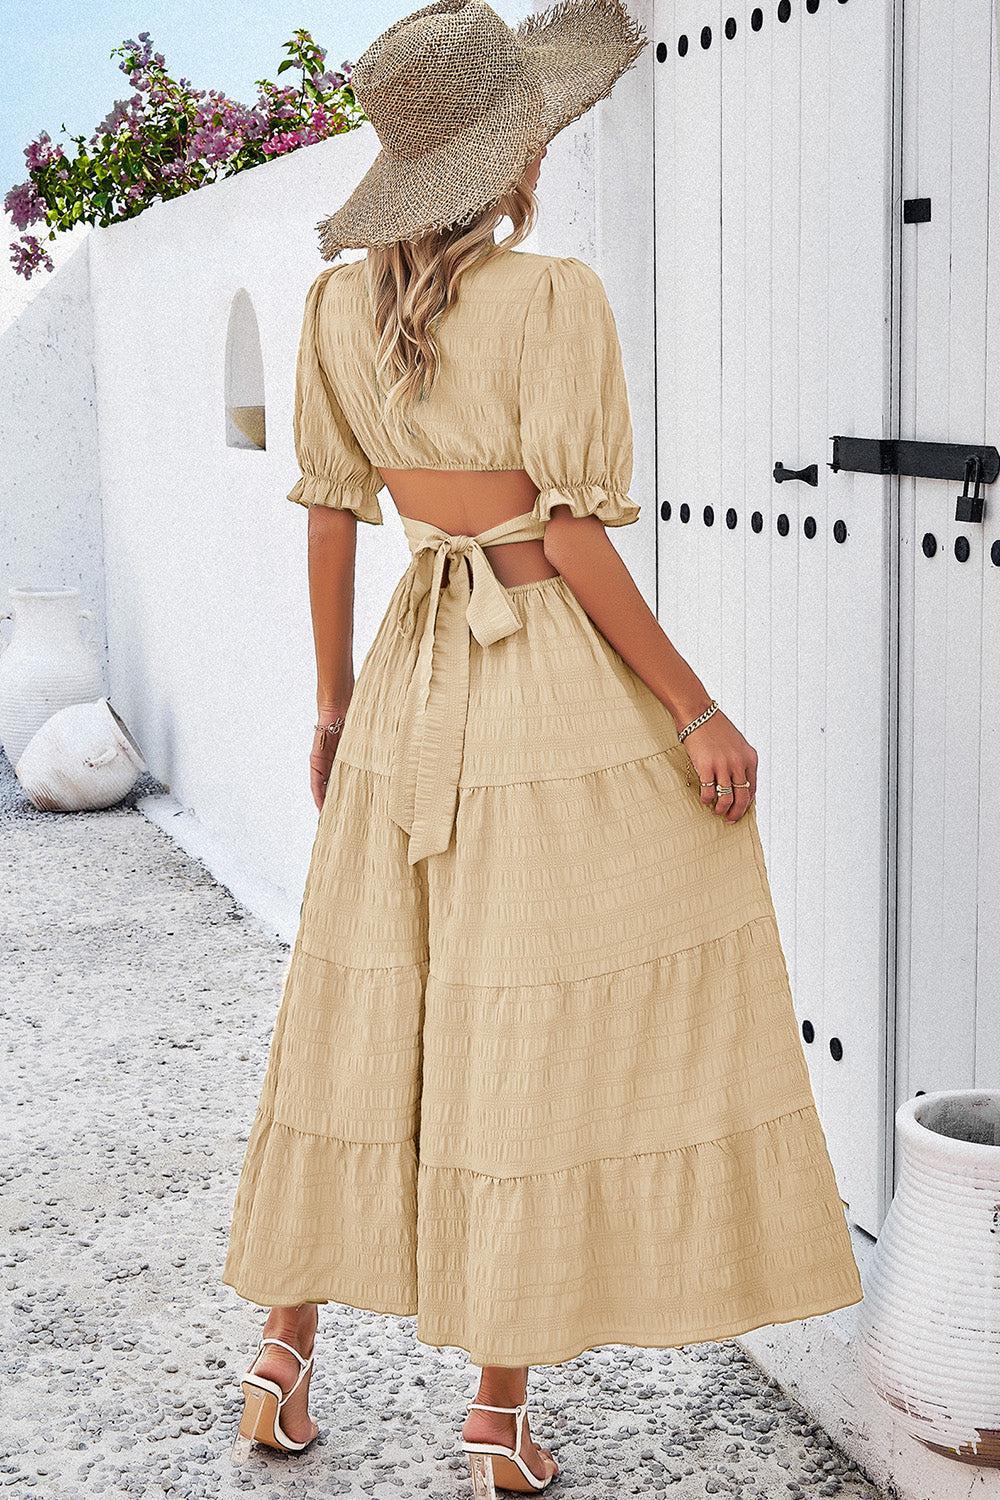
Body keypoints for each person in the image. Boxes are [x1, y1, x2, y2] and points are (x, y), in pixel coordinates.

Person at [222, 0, 864, 1490]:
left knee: (366, 1008)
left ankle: (281, 1350)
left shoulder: (326, 309)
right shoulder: (553, 295)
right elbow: (564, 535)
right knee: (535, 1015)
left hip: (402, 684)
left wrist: (330, 709)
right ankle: (495, 1421)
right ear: (512, 158)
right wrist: (696, 707)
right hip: (539, 680)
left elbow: (329, 520)